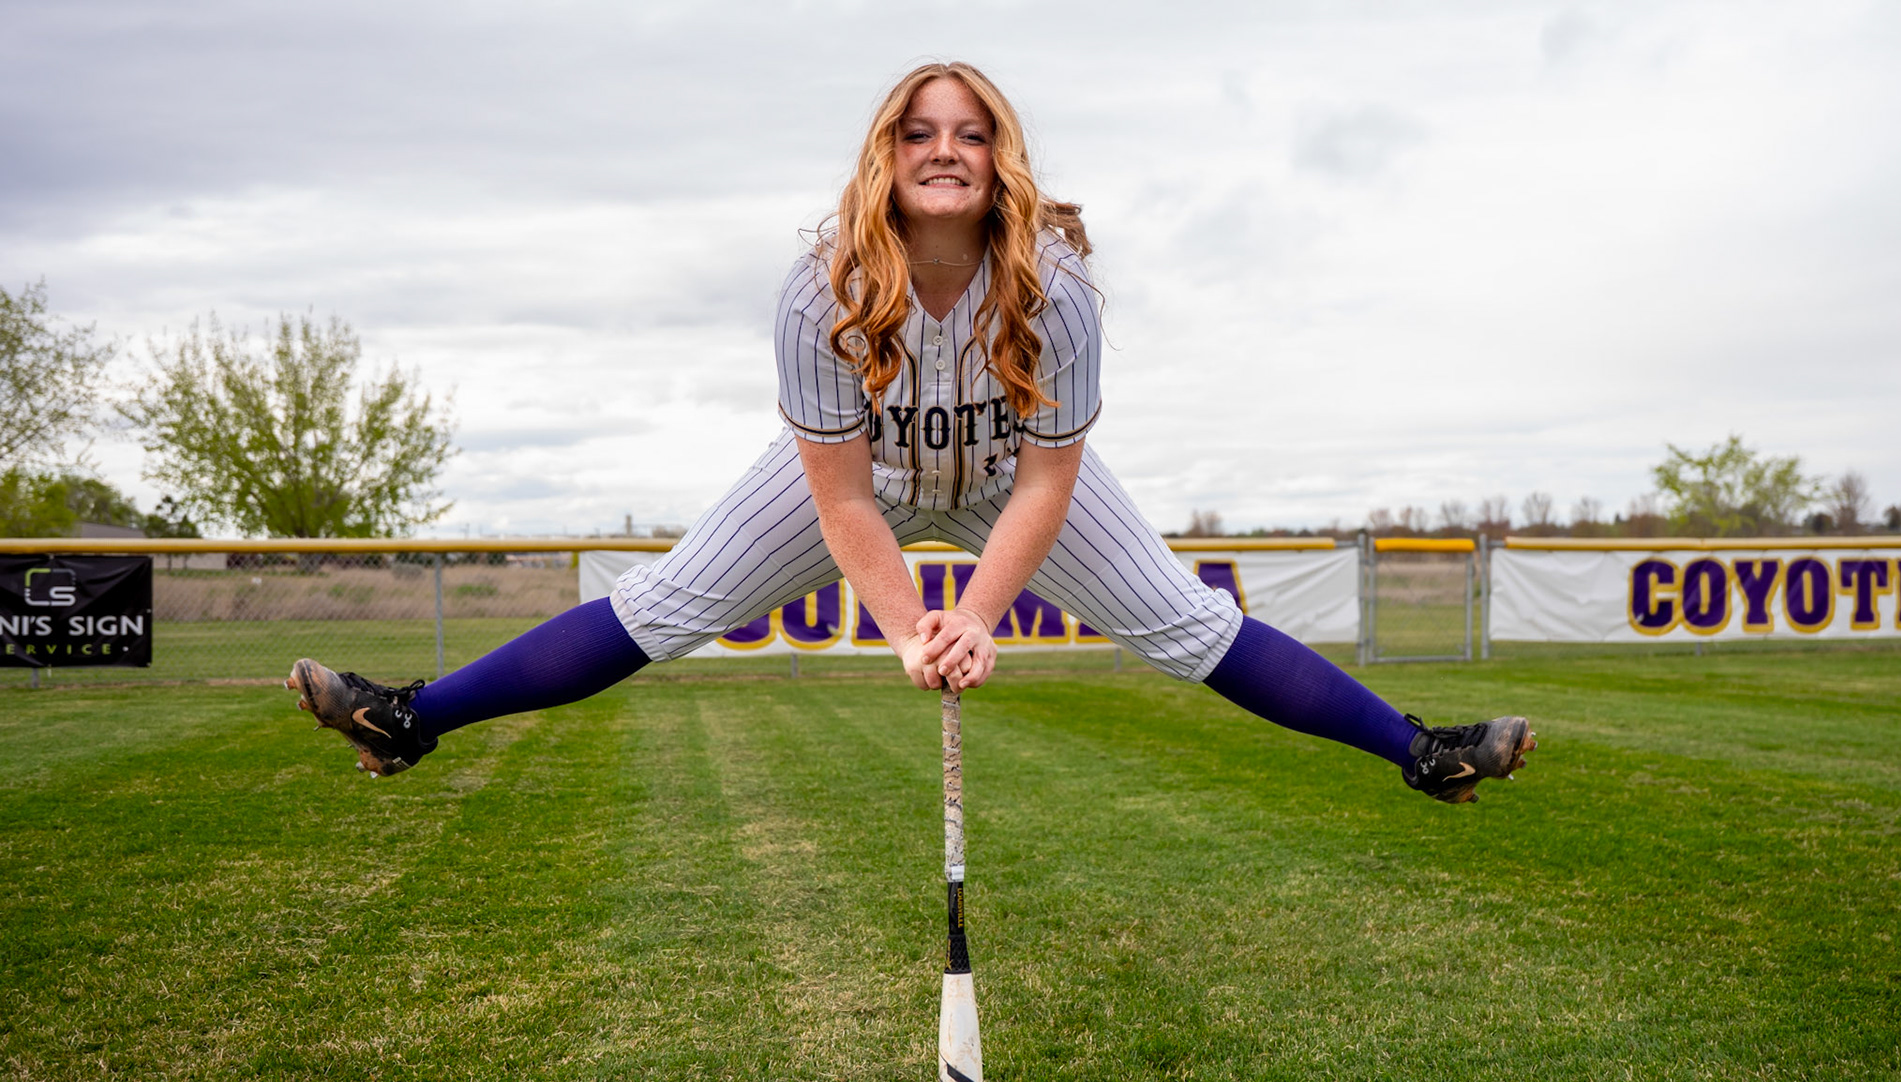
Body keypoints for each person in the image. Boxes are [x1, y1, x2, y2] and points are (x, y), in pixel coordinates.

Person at [288, 62, 1535, 803]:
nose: (947, 148)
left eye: (972, 131)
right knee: (666, 604)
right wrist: (907, 629)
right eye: (920, 130)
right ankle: (414, 718)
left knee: (1187, 623)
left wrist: (976, 616)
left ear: (1002, 159)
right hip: (862, 478)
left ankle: (1414, 748)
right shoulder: (820, 289)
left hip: (1007, 478)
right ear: (885, 156)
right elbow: (841, 500)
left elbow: (1047, 481)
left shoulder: (1059, 288)